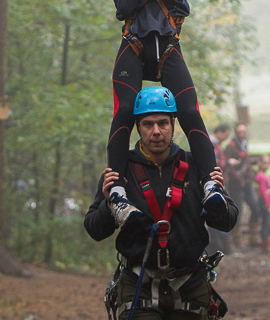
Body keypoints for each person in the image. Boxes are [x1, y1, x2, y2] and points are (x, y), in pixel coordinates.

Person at [106, 0, 225, 226]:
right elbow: (124, 6)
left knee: (189, 110)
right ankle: (117, 191)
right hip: (133, 45)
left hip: (168, 47)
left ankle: (210, 183)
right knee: (125, 111)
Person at [84, 86, 239, 320]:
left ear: (173, 125)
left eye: (162, 123)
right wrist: (108, 205)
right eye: (148, 124)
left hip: (190, 284)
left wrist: (218, 201)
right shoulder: (120, 171)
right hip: (139, 285)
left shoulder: (196, 166)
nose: (156, 131)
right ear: (138, 127)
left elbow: (228, 222)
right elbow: (95, 230)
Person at [224, 122, 260, 248]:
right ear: (235, 133)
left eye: (243, 132)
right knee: (237, 212)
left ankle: (254, 237)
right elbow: (225, 165)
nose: (241, 134)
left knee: (256, 207)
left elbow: (246, 160)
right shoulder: (230, 147)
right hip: (236, 185)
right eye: (239, 132)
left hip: (247, 183)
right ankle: (237, 242)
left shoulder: (244, 144)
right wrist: (237, 175)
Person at [207, 123, 233, 255]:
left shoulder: (213, 143)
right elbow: (216, 163)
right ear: (221, 132)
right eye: (226, 134)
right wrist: (229, 163)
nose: (226, 138)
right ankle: (220, 247)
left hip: (215, 183)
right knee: (219, 211)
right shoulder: (212, 144)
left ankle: (221, 247)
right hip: (215, 184)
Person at [255, 154, 270, 254]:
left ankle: (267, 244)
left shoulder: (266, 176)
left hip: (268, 203)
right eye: (265, 163)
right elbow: (264, 192)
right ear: (260, 164)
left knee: (268, 223)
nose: (267, 165)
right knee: (265, 223)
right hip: (264, 204)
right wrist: (268, 205)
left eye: (268, 163)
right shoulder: (261, 177)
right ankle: (265, 245)